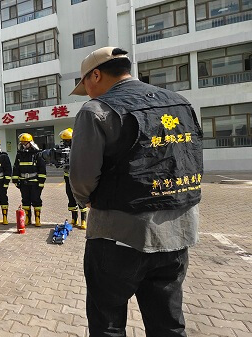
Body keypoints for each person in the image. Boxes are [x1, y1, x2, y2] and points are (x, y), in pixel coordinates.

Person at [69, 46, 203, 336]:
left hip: (117, 235)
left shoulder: (97, 110)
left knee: (108, 324)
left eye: (87, 86)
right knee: (167, 322)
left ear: (96, 74)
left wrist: (85, 199)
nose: (89, 93)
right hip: (177, 232)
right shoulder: (181, 103)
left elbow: (82, 177)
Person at [12, 133, 46, 226]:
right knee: (25, 200)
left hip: (35, 182)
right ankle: (27, 219)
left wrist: (41, 182)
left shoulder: (38, 154)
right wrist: (15, 180)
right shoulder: (19, 154)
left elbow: (42, 169)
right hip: (24, 182)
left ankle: (37, 219)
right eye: (22, 143)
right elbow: (16, 168)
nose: (23, 145)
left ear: (30, 143)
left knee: (36, 200)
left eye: (25, 143)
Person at [58, 128, 87, 230]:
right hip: (67, 178)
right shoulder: (63, 150)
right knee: (71, 199)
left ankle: (84, 220)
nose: (66, 143)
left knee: (80, 198)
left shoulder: (80, 150)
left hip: (78, 178)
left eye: (68, 141)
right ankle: (74, 219)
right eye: (64, 141)